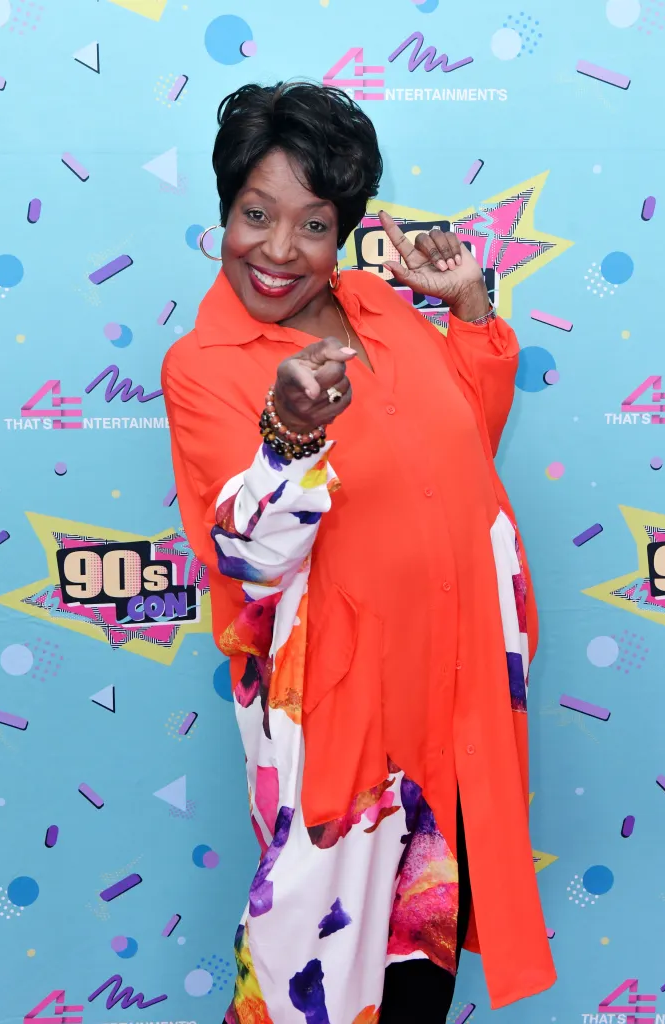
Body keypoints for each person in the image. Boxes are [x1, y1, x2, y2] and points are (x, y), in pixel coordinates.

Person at [162, 81, 556, 1024]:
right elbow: (246, 558)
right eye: (256, 215)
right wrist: (289, 437)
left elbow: (455, 450)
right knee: (316, 983)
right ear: (225, 210)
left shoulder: (378, 306)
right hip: (339, 720)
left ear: (343, 231)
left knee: (419, 974)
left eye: (312, 224)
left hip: (452, 697)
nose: (277, 250)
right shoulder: (204, 368)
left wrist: (465, 310)